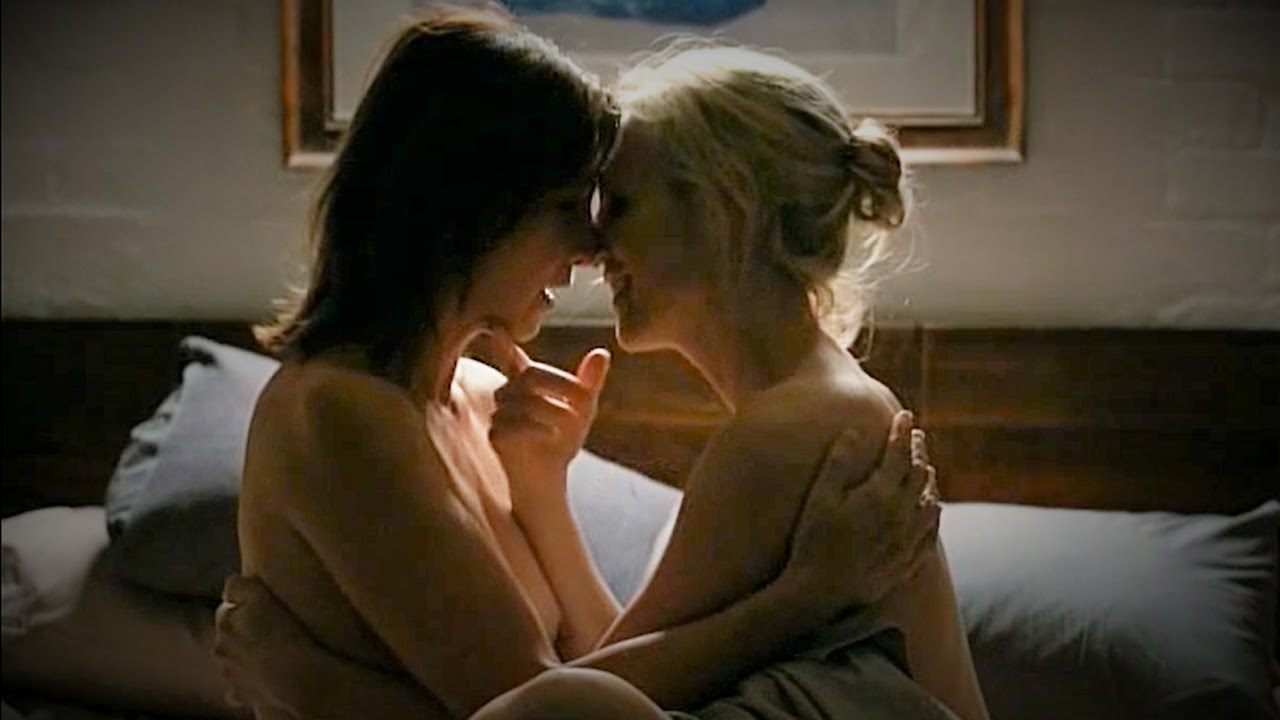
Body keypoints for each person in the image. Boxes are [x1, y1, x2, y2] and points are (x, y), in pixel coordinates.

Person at [216, 7, 947, 720]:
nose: (592, 247)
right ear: (478, 207)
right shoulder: (340, 412)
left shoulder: (487, 401)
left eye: (612, 206)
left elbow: (573, 689)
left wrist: (318, 688)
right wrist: (803, 598)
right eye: (571, 206)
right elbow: (556, 701)